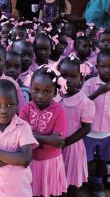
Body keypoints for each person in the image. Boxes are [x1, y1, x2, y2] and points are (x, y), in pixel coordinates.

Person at [19, 67, 68, 197]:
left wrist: (33, 138)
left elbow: (58, 142)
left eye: (47, 91)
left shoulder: (59, 111)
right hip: (30, 162)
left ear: (55, 92)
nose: (40, 96)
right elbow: (21, 136)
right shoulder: (25, 109)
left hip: (50, 162)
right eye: (36, 90)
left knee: (49, 192)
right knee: (31, 191)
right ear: (30, 89)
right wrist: (48, 139)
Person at [81, 50, 110, 197]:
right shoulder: (89, 83)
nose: (107, 69)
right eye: (103, 66)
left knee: (103, 160)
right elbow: (82, 103)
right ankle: (82, 179)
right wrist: (98, 92)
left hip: (109, 132)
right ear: (97, 67)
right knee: (85, 159)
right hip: (90, 132)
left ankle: (98, 182)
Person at [56, 57, 95, 197]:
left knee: (72, 180)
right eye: (64, 75)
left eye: (73, 76)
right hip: (54, 146)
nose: (68, 80)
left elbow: (86, 128)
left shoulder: (84, 101)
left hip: (72, 147)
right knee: (57, 178)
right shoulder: (54, 96)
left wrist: (66, 142)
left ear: (81, 77)